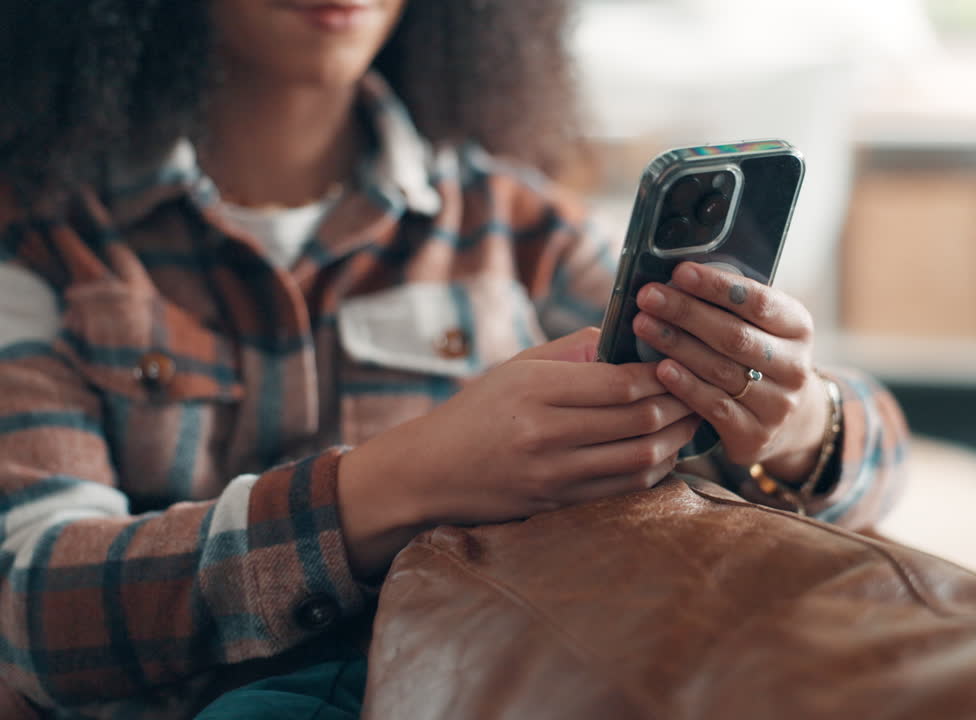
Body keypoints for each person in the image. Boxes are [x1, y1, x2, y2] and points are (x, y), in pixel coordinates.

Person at [0, 1, 909, 717]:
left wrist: (796, 421)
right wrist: (406, 479)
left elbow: (880, 463)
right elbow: (35, 606)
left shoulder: (510, 222)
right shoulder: (42, 238)